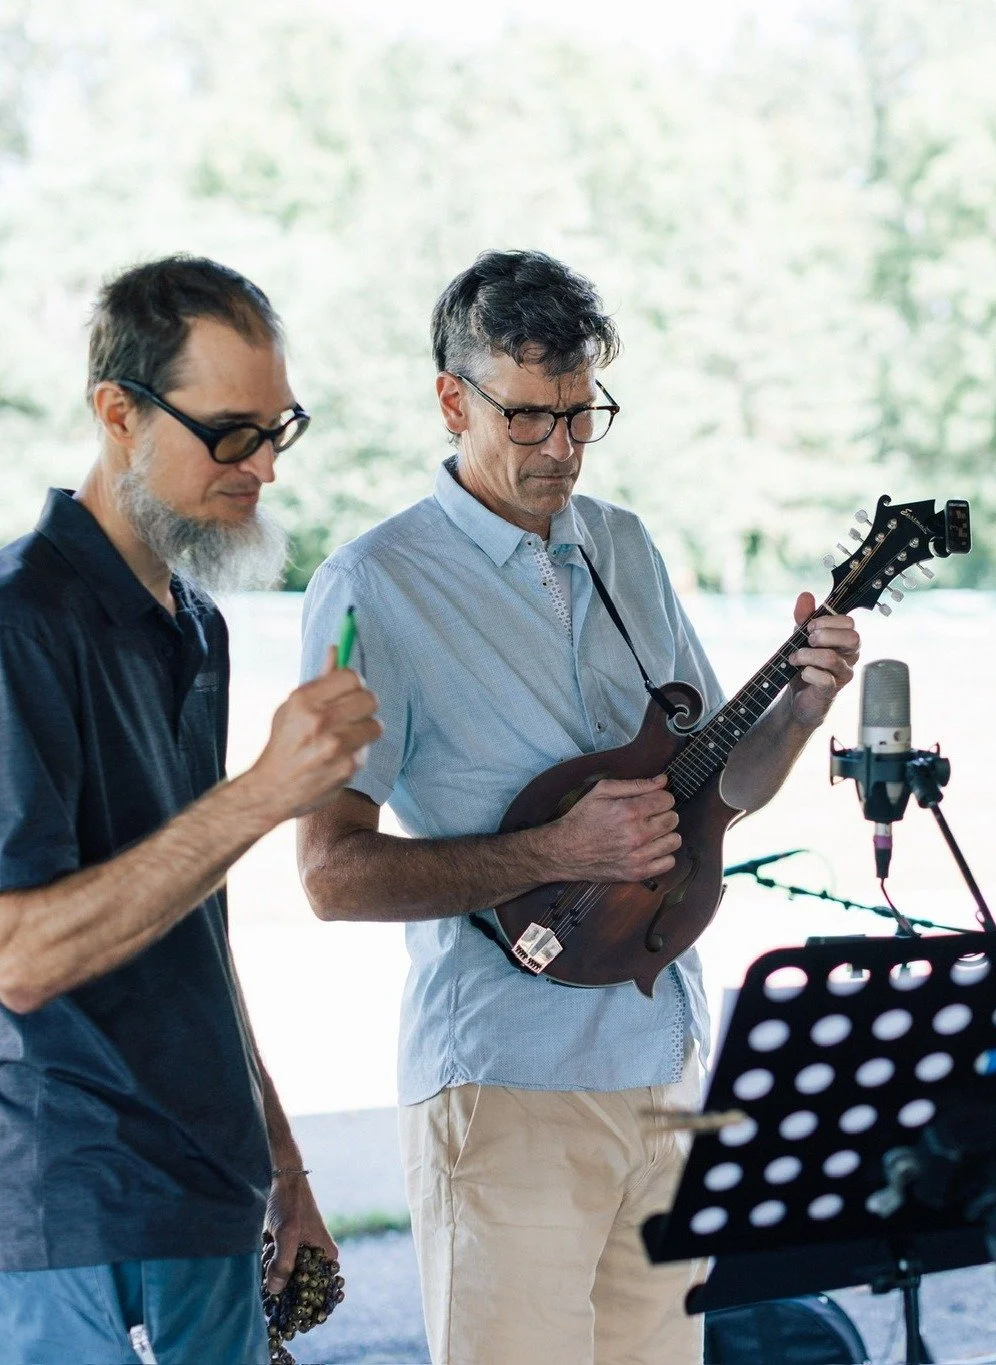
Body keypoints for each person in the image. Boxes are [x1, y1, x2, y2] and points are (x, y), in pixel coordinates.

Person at [296, 248, 861, 1365]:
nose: (561, 448)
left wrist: (799, 710)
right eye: (529, 417)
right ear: (453, 399)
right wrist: (553, 848)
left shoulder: (628, 547)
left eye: (582, 414)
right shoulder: (373, 587)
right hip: (506, 1084)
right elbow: (330, 875)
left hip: (662, 1067)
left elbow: (715, 796)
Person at [0, 256, 381, 1365]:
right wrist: (268, 792)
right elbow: (20, 956)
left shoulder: (195, 622)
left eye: (279, 428)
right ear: (118, 413)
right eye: (229, 433)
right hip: (70, 1213)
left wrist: (284, 1168)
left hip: (207, 1197)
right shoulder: (22, 625)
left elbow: (192, 927)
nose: (263, 466)